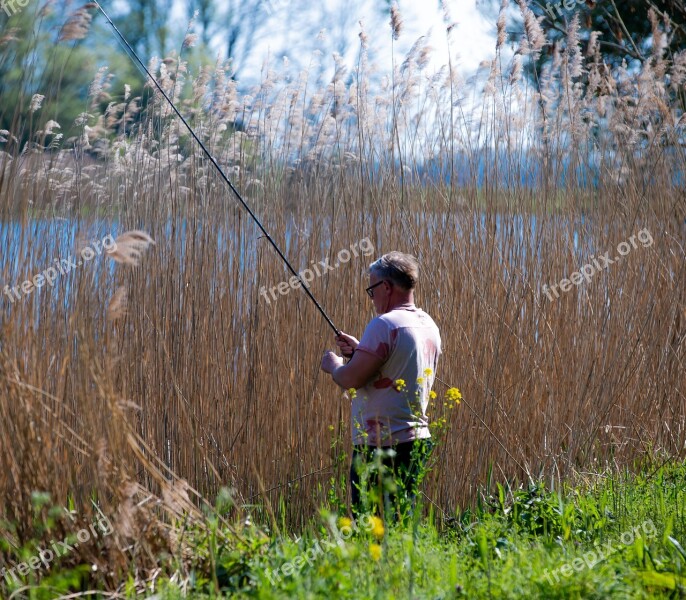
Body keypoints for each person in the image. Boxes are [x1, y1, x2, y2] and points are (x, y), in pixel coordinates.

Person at [320, 251, 442, 518]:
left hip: (381, 445)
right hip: (416, 442)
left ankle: (373, 562)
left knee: (370, 523)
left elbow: (351, 380)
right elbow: (393, 364)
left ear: (386, 287)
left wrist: (335, 365)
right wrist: (360, 352)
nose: (372, 297)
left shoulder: (384, 324)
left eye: (372, 290)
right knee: (399, 520)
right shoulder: (427, 324)